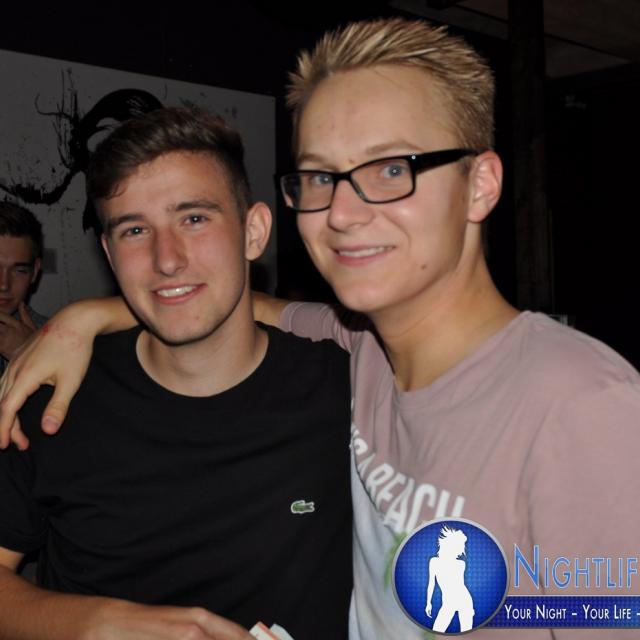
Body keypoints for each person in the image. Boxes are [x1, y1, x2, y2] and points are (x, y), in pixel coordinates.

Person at [1, 17, 639, 640]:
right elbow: (224, 302)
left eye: (392, 169)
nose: (342, 211)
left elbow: (605, 613)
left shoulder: (581, 403)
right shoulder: (360, 352)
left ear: (480, 185)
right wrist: (87, 317)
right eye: (321, 178)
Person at [0, 107, 352, 640]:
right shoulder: (54, 397)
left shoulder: (346, 388)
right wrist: (96, 622)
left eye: (194, 219)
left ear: (254, 231)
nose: (166, 259)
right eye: (135, 229)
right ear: (109, 254)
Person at [0, 201, 48, 373]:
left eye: (19, 270)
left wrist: (34, 358)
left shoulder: (57, 339)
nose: (4, 285)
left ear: (34, 272)